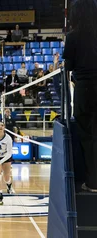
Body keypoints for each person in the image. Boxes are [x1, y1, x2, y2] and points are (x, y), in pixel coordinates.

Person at [62, 0, 97, 192]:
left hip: (84, 89)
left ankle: (93, 182)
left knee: (87, 135)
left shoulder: (73, 36)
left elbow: (69, 66)